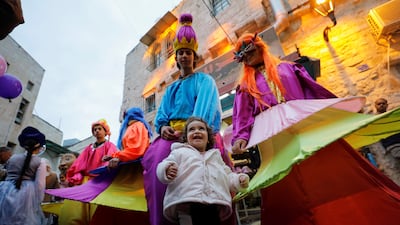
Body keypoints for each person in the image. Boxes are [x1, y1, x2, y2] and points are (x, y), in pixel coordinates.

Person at [229, 33, 400, 225]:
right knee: (287, 182)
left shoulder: (288, 68)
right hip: (274, 135)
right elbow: (242, 115)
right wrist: (240, 137)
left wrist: (336, 110)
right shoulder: (245, 86)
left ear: (260, 48)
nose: (248, 57)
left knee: (330, 169)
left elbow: (313, 91)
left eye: (250, 51)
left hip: (304, 124)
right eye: (243, 56)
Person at [142, 13, 232, 225]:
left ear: (194, 56)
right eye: (180, 53)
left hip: (199, 134)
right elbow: (161, 116)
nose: (184, 56)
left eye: (188, 53)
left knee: (214, 170)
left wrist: (191, 132)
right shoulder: (170, 89)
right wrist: (163, 127)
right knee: (157, 163)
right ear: (176, 58)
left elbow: (205, 110)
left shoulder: (205, 80)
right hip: (172, 136)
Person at [157, 117, 249, 225]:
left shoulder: (215, 156)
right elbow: (162, 165)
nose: (196, 131)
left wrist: (239, 180)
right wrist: (166, 169)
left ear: (208, 138)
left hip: (213, 205)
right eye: (191, 129)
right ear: (186, 138)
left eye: (201, 129)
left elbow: (227, 176)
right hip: (186, 204)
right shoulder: (179, 152)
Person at [58, 119, 119, 225]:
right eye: (95, 129)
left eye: (99, 129)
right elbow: (79, 163)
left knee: (97, 210)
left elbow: (112, 160)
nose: (97, 131)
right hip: (85, 181)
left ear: (105, 132)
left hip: (100, 182)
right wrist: (73, 175)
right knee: (74, 210)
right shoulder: (88, 148)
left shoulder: (110, 146)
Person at [0, 126, 47, 225]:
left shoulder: (12, 158)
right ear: (39, 147)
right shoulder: (40, 162)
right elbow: (40, 185)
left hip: (5, 190)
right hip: (27, 194)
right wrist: (37, 202)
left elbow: (7, 173)